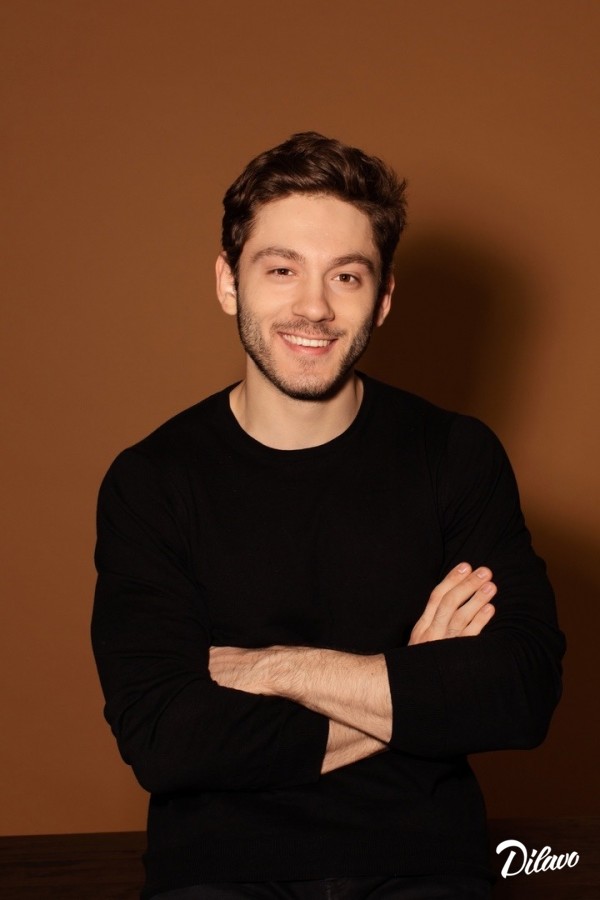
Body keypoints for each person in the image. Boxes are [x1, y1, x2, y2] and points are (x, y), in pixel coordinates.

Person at [92, 132, 565, 900]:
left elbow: (520, 692)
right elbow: (164, 739)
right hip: (218, 870)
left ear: (383, 298)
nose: (313, 306)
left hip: (424, 862)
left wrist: (275, 668)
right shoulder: (152, 481)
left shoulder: (455, 455)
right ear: (228, 282)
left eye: (346, 275)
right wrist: (413, 684)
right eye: (281, 269)